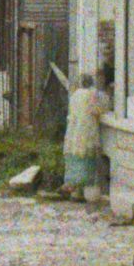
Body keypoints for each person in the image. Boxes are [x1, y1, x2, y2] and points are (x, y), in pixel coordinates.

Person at [56, 69, 106, 199]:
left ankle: (73, 190)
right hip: (86, 129)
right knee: (86, 159)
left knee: (74, 158)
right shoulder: (91, 94)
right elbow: (96, 110)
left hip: (74, 130)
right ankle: (81, 190)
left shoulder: (75, 94)